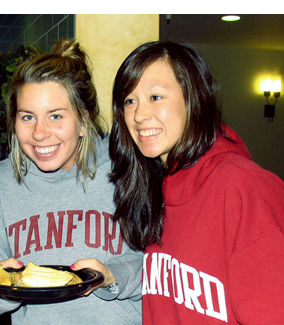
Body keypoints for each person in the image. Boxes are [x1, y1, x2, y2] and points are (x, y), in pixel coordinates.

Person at [109, 40, 284, 324]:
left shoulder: (245, 188)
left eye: (155, 97)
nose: (139, 115)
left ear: (194, 98)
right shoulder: (154, 187)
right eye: (130, 101)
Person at [0, 39, 143, 325]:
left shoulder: (127, 168)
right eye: (28, 117)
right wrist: (2, 285)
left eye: (55, 116)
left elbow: (154, 263)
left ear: (84, 119)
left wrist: (112, 277)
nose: (39, 133)